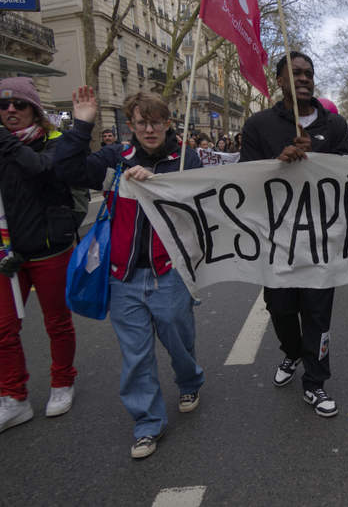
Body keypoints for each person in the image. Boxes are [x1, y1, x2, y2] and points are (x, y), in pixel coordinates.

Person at [54, 87, 205, 459]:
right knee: (136, 354)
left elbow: (199, 205)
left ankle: (189, 379)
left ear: (168, 122)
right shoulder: (115, 158)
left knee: (177, 335)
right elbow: (66, 170)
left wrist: (158, 183)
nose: (149, 129)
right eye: (142, 123)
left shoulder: (185, 158)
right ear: (131, 125)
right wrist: (82, 125)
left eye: (156, 122)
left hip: (168, 270)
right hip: (122, 275)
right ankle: (147, 424)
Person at [241, 51, 348, 418]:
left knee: (318, 315)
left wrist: (321, 161)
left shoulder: (334, 126)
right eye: (297, 73)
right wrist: (278, 163)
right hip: (277, 243)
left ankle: (316, 383)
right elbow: (243, 179)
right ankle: (291, 351)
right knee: (281, 310)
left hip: (322, 241)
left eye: (309, 73)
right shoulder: (259, 125)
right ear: (279, 81)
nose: (304, 78)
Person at [0, 77, 86, 433]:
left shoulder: (54, 142)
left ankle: (62, 382)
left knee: (57, 323)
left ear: (34, 108)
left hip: (50, 248)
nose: (10, 111)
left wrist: (4, 142)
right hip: (7, 253)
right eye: (2, 106)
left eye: (18, 104)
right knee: (3, 328)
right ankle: (13, 397)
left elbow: (39, 170)